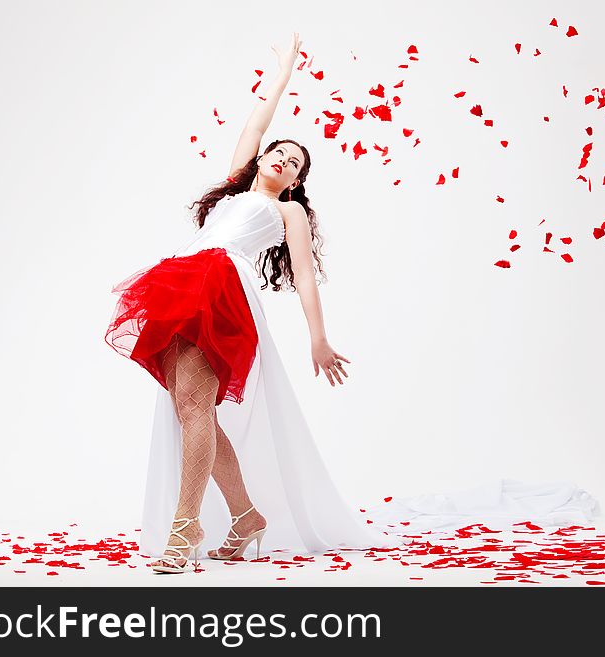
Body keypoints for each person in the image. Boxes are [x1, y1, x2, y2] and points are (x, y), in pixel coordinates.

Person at [104, 32, 406, 574]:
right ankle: (246, 518)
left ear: (295, 184)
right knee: (190, 410)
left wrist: (318, 336)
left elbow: (306, 277)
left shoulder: (285, 213)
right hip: (180, 282)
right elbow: (256, 123)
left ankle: (186, 524)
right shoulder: (235, 192)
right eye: (279, 154)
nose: (282, 161)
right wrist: (284, 71)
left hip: (220, 289)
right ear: (263, 160)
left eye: (294, 165)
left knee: (195, 407)